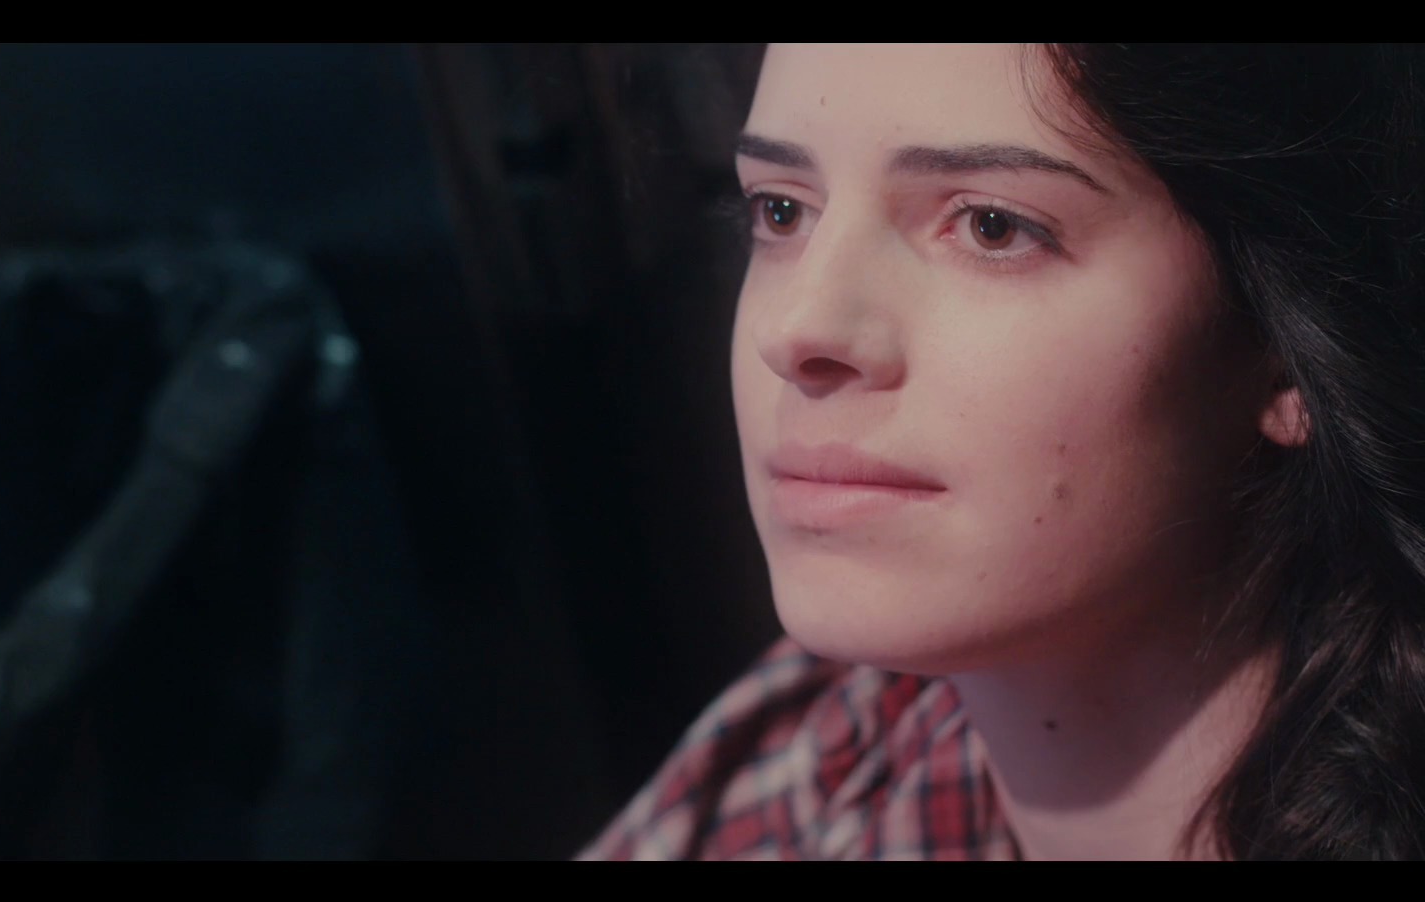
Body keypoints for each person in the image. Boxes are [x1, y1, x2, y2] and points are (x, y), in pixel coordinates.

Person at [582, 43, 1425, 860]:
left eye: (992, 227)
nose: (797, 329)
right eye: (781, 210)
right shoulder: (803, 769)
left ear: (1287, 345)